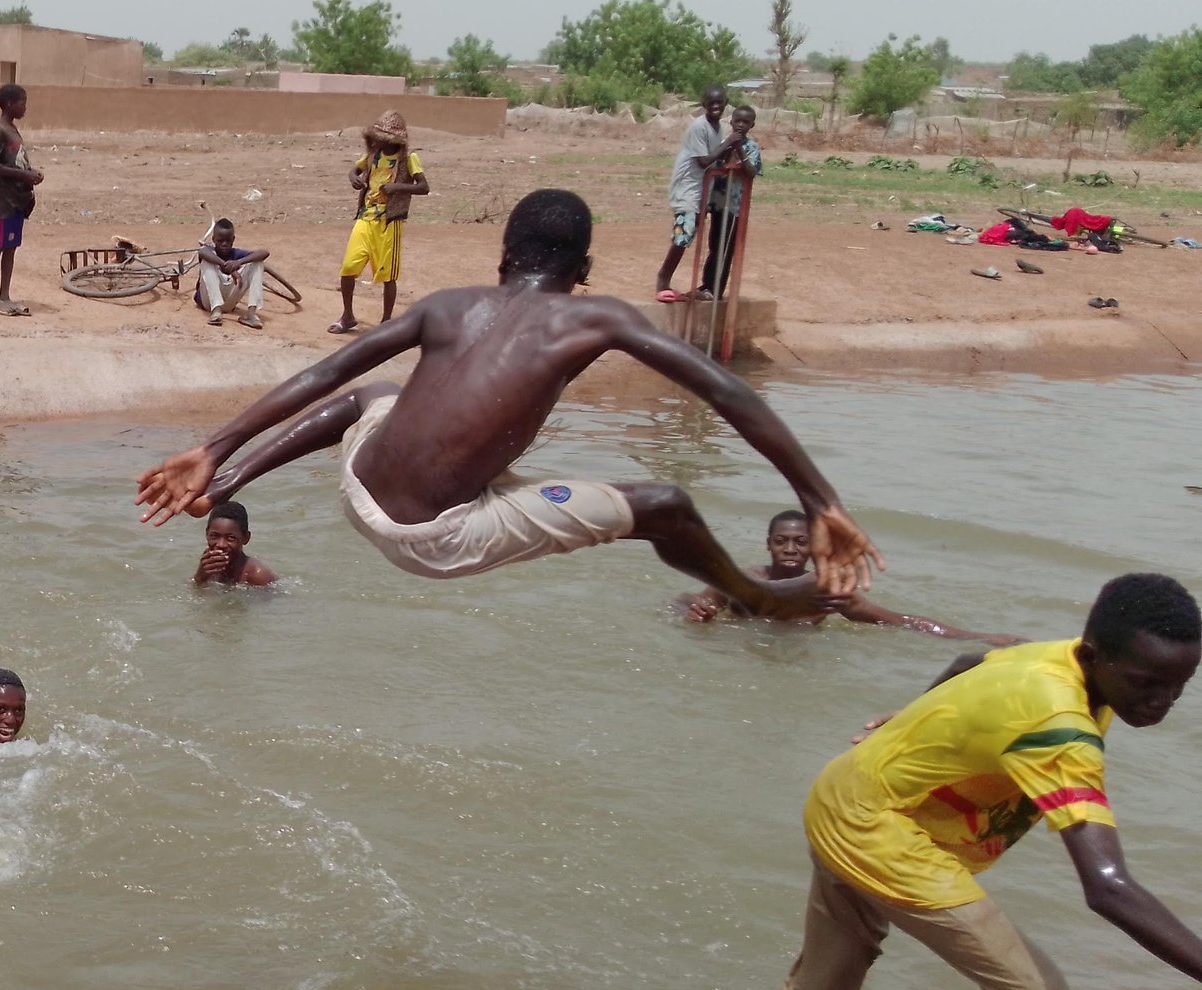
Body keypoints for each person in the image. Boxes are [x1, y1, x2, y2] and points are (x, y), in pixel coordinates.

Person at [134, 188, 879, 619]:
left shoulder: (452, 303)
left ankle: (227, 487)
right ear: (583, 268)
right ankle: (759, 597)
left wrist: (214, 449)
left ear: (502, 254)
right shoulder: (598, 318)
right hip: (440, 535)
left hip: (359, 484)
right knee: (665, 503)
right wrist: (820, 500)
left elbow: (329, 372)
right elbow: (726, 390)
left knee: (375, 392)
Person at [749, 574, 1202, 990]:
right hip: (880, 834)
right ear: (1094, 655)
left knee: (831, 972)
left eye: (1180, 685)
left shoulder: (1055, 659)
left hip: (847, 792)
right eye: (1146, 683)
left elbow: (972, 661)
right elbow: (1107, 887)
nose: (1163, 702)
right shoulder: (1059, 726)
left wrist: (915, 717)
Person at [678, 510, 1025, 644]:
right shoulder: (744, 580)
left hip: (798, 657)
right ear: (768, 545)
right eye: (781, 541)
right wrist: (695, 612)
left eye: (801, 542)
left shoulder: (826, 591)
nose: (790, 549)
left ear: (815, 548)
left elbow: (898, 621)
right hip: (744, 651)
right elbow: (690, 600)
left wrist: (979, 636)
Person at [333, 110, 428, 334]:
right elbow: (354, 170)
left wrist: (398, 187)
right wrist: (354, 179)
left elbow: (424, 187)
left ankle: (386, 322)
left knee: (388, 275)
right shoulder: (372, 156)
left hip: (390, 222)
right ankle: (347, 316)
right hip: (365, 218)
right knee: (348, 267)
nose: (377, 141)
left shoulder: (408, 159)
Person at [655, 86, 743, 303]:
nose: (716, 107)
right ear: (704, 105)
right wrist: (728, 144)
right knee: (683, 234)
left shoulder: (717, 128)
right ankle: (663, 279)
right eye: (711, 103)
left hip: (701, 190)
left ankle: (668, 279)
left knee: (688, 234)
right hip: (687, 188)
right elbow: (703, 161)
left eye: (719, 103)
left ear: (725, 103)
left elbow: (716, 159)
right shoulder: (699, 127)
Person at [0, 83, 43, 318]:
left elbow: (14, 161)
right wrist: (23, 175)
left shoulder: (12, 130)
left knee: (11, 248)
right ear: (9, 104)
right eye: (21, 102)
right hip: (4, 200)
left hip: (17, 199)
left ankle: (4, 295)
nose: (25, 107)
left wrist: (31, 174)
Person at [699, 104, 763, 300]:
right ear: (731, 121)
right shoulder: (722, 142)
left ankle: (716, 289)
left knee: (726, 249)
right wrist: (728, 144)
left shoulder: (751, 148)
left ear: (752, 125)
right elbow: (711, 163)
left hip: (735, 206)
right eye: (738, 121)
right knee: (714, 244)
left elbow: (751, 172)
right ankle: (707, 285)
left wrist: (739, 150)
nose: (741, 125)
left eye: (746, 122)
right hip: (718, 202)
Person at [194, 219, 271, 330]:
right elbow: (202, 251)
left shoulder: (236, 253)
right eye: (220, 241)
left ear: (233, 240)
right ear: (214, 239)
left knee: (257, 263)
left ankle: (251, 314)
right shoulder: (209, 250)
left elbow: (264, 253)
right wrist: (229, 268)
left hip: (229, 302)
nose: (224, 244)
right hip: (208, 304)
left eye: (228, 241)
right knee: (208, 262)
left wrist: (238, 263)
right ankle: (216, 312)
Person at [193, 500, 277, 587]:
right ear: (207, 534)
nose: (221, 544)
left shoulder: (258, 576)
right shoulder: (208, 565)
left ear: (246, 538)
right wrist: (200, 577)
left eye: (231, 538)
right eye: (215, 536)